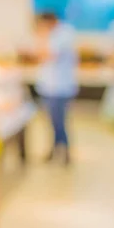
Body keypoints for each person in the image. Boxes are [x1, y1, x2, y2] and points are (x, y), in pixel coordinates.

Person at [32, 13, 78, 165]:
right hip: (49, 85)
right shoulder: (52, 35)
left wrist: (42, 37)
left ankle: (65, 151)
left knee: (59, 121)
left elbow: (48, 55)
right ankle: (54, 149)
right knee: (51, 121)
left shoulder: (64, 34)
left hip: (60, 87)